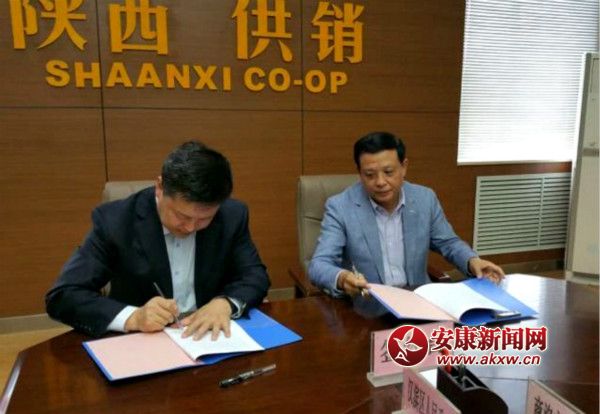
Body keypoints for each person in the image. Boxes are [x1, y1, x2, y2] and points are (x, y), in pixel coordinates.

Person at [46, 141, 270, 339]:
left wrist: (225, 303)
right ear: (160, 187)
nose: (191, 227)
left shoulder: (232, 215)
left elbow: (255, 275)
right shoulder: (115, 221)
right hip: (143, 341)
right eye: (182, 216)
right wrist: (133, 317)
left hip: (209, 337)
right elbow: (64, 295)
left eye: (204, 219)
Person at [309, 131, 504, 301]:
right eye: (369, 175)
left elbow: (449, 243)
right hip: (368, 303)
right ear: (359, 174)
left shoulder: (424, 199)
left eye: (388, 172)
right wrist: (343, 278)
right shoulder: (340, 207)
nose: (380, 182)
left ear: (404, 167)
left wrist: (472, 261)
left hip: (417, 299)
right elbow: (319, 264)